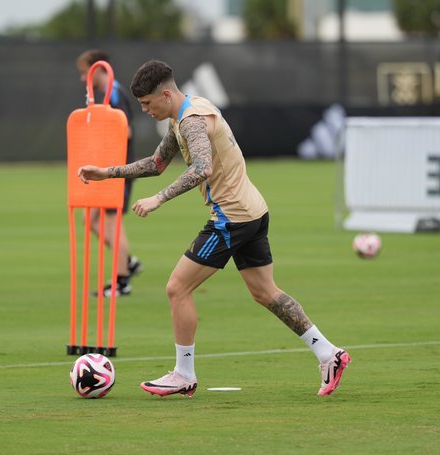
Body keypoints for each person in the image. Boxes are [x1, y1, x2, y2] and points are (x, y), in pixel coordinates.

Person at [77, 59, 351, 397]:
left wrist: (158, 199)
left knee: (177, 288)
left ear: (165, 94)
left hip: (232, 217)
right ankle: (329, 353)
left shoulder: (191, 122)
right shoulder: (188, 112)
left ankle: (183, 374)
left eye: (147, 104)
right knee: (265, 292)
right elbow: (156, 163)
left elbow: (202, 169)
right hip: (254, 210)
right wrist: (107, 173)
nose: (145, 110)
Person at [76, 50, 142, 296]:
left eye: (85, 73)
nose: (83, 78)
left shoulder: (115, 93)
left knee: (113, 224)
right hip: (104, 170)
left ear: (98, 69)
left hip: (118, 169)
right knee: (89, 220)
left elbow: (125, 132)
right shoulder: (103, 95)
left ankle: (121, 281)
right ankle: (128, 261)